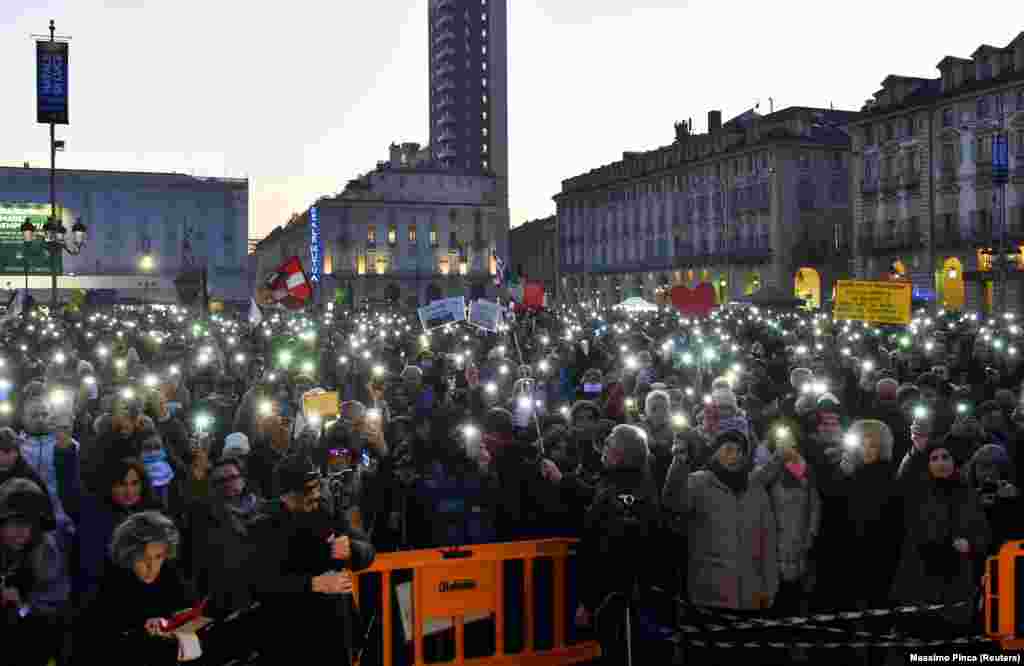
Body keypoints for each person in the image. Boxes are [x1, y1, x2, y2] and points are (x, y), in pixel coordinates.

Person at [248, 455, 375, 664]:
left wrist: (352, 549)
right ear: (286, 496)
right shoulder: (263, 526)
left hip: (335, 633)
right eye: (305, 497)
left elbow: (369, 552)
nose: (313, 502)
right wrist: (313, 584)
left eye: (316, 494)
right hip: (288, 638)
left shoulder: (326, 513)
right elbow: (260, 584)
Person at [78, 511, 194, 664]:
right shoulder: (107, 588)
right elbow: (98, 647)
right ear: (129, 555)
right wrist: (142, 632)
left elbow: (192, 648)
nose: (152, 567)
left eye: (158, 557)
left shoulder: (173, 578)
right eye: (144, 558)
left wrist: (172, 628)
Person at [0, 477, 70, 666]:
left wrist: (23, 604)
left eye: (28, 523)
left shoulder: (48, 554)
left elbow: (56, 606)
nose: (21, 531)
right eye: (13, 522)